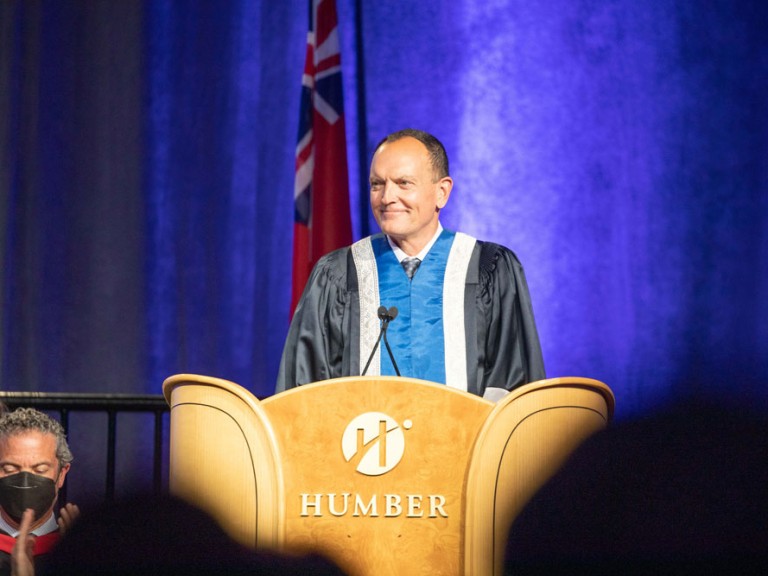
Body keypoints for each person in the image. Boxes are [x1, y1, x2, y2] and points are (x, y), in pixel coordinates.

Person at [277, 128, 545, 398]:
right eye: (377, 184)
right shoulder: (339, 274)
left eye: (403, 183)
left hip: (467, 439)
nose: (386, 197)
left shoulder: (488, 269)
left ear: (442, 192)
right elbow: (306, 392)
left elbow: (512, 385)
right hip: (364, 440)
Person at [0, 408, 79, 576]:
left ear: (62, 474)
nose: (26, 480)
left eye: (40, 470)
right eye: (10, 469)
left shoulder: (85, 550)